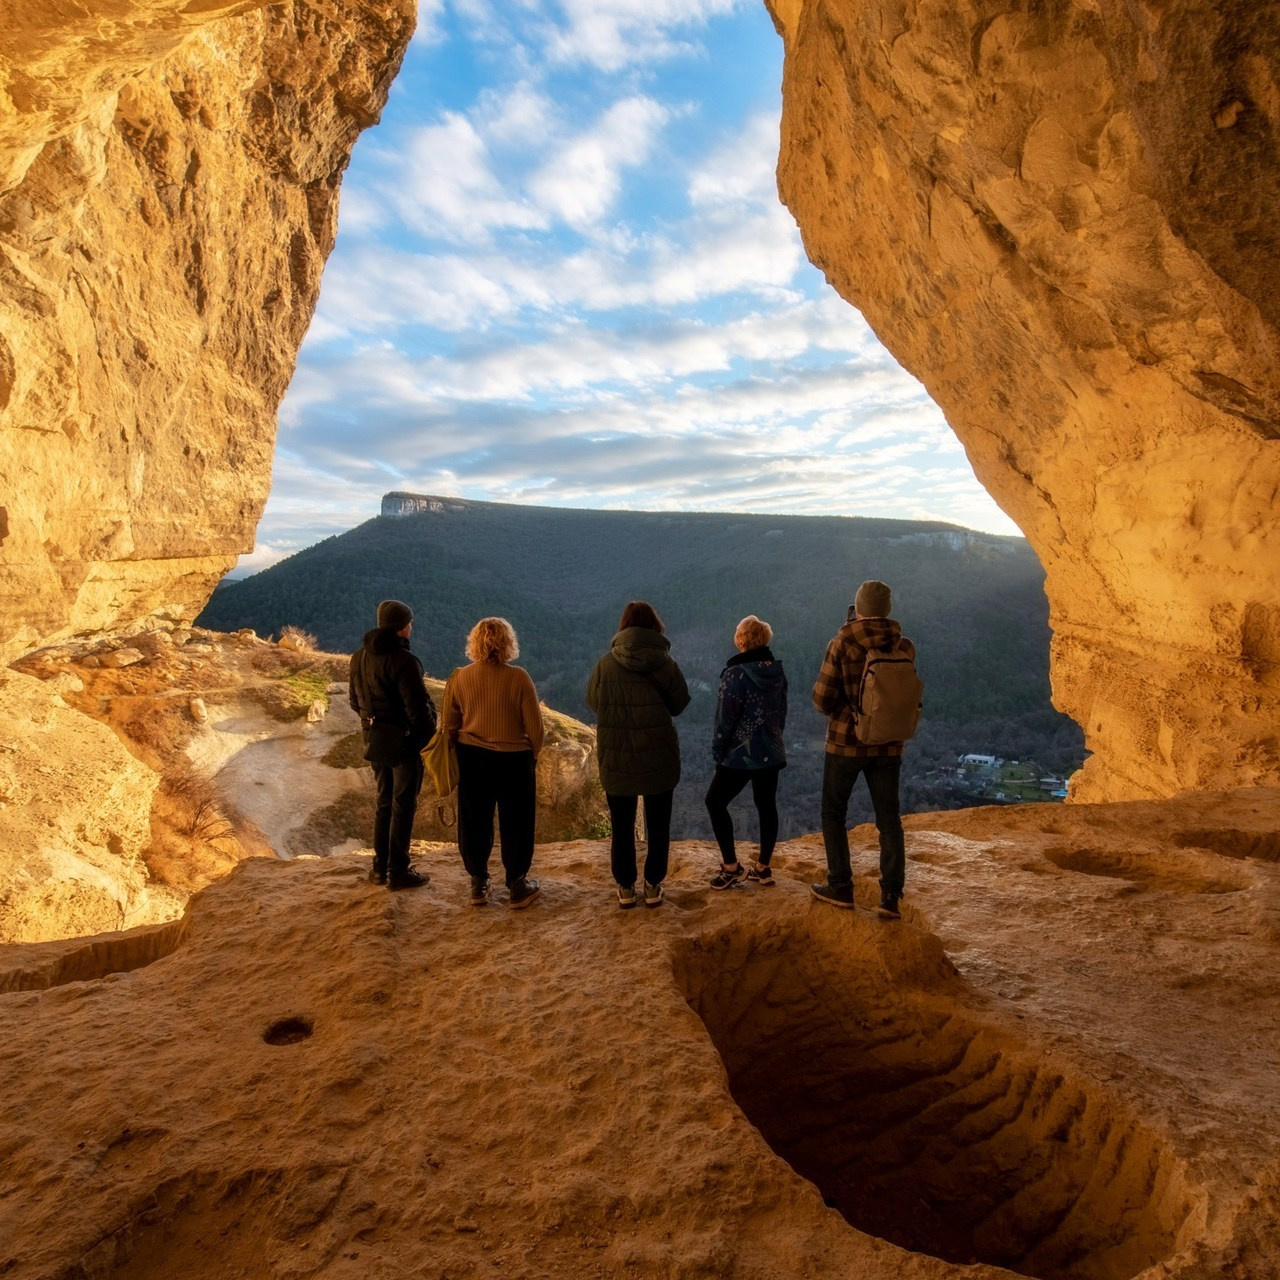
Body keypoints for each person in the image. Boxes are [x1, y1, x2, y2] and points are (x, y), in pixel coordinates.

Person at [810, 579, 913, 919]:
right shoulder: (904, 645)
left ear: (859, 608)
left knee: (833, 814)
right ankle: (891, 897)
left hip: (845, 743)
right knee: (888, 819)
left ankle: (840, 886)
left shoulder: (842, 643)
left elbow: (823, 699)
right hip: (889, 745)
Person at [586, 601, 690, 909]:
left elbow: (593, 701)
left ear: (624, 626)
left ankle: (626, 887)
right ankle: (654, 885)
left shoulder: (606, 664)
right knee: (659, 824)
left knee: (622, 825)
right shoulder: (666, 663)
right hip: (658, 754)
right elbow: (680, 704)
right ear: (655, 626)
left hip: (618, 755)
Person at [443, 617, 544, 909]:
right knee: (518, 823)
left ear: (473, 643)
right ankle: (517, 884)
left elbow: (449, 724)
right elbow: (535, 730)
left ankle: (478, 882)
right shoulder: (519, 678)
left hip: (472, 758)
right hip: (514, 760)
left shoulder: (459, 677)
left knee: (474, 821)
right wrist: (532, 756)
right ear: (508, 643)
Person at [348, 599, 436, 891]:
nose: (411, 627)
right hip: (404, 743)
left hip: (374, 739)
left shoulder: (359, 656)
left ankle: (379, 868)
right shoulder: (403, 660)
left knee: (383, 802)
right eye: (409, 623)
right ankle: (399, 870)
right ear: (401, 628)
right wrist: (428, 744)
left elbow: (353, 701)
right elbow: (418, 712)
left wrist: (374, 723)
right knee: (403, 805)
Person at [706, 616, 787, 890]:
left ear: (741, 640)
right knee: (767, 805)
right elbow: (781, 712)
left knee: (715, 802)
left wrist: (719, 753)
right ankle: (763, 868)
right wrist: (775, 740)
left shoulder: (735, 675)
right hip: (771, 751)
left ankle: (731, 867)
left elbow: (724, 721)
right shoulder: (776, 671)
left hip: (740, 755)